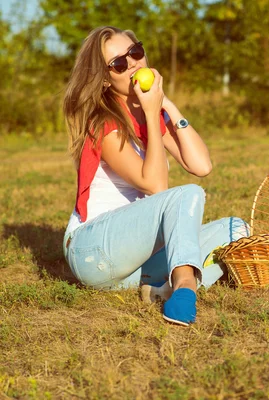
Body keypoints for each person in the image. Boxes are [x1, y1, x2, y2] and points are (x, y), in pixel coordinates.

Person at [62, 26, 249, 326]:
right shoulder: (104, 125)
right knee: (186, 194)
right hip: (91, 250)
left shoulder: (147, 114)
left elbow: (202, 165)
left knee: (236, 231)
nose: (133, 63)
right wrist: (151, 113)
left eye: (135, 52)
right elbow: (157, 186)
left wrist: (165, 105)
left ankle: (158, 288)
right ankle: (185, 284)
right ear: (106, 81)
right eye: (119, 63)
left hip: (128, 262)